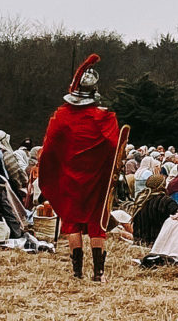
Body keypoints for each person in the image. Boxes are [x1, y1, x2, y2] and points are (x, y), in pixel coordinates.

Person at [39, 55, 123, 282]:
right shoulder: (104, 118)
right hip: (96, 179)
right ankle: (99, 273)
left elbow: (49, 147)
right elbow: (114, 146)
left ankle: (77, 272)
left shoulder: (61, 116)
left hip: (68, 176)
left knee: (72, 222)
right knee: (97, 224)